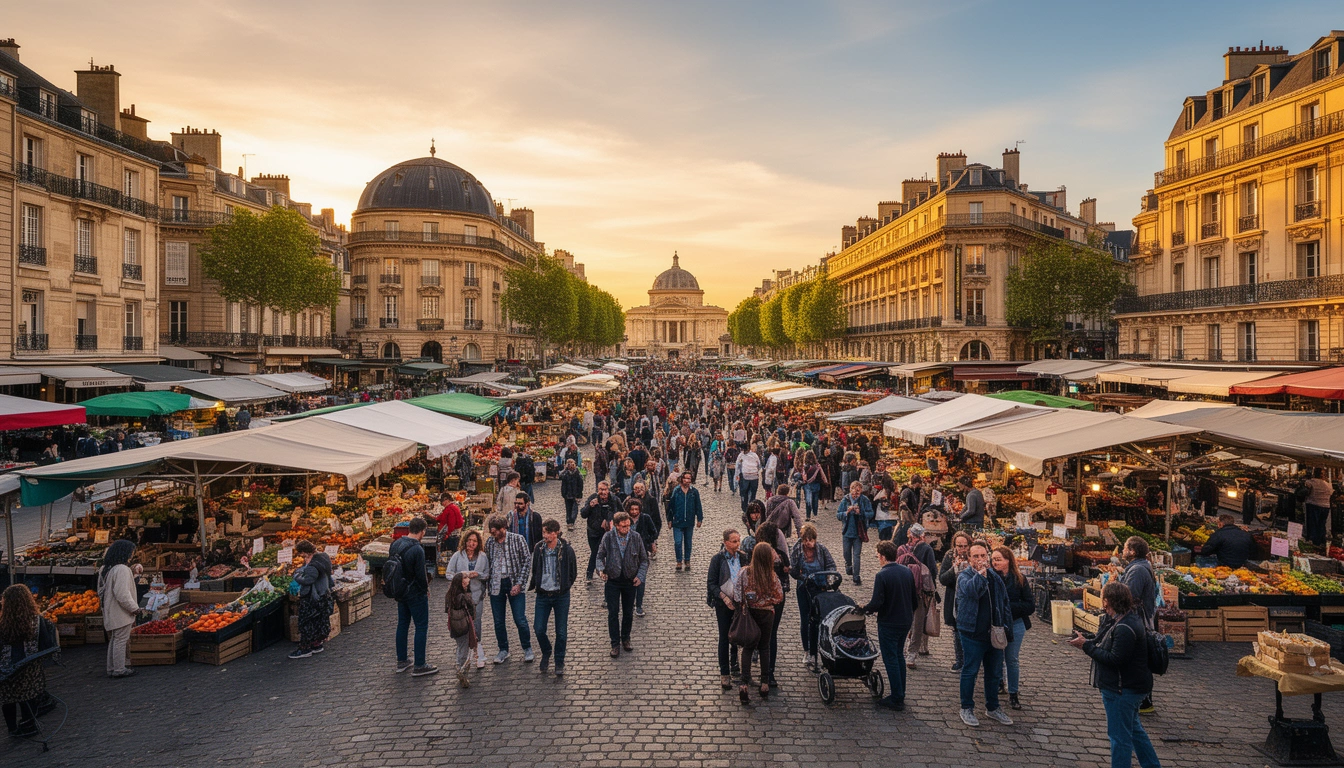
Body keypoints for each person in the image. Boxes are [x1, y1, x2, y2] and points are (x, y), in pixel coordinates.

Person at [1068, 582, 1162, 768]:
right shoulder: (1123, 619)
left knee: (1119, 738)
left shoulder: (1124, 627)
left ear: (1107, 601)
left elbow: (1114, 659)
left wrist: (1085, 646)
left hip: (1122, 690)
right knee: (1135, 730)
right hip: (1130, 687)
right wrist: (1088, 641)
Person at [955, 540, 1013, 727]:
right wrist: (980, 575)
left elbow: (1003, 602)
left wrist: (1006, 627)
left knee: (994, 672)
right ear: (969, 559)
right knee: (970, 671)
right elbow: (971, 591)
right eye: (976, 556)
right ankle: (966, 707)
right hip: (972, 633)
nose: (980, 559)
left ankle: (993, 707)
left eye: (983, 556)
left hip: (993, 633)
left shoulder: (995, 577)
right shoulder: (964, 577)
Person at [862, 540, 919, 711]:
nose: (877, 558)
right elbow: (913, 600)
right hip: (905, 620)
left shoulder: (882, 575)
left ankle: (896, 697)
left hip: (889, 622)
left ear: (883, 556)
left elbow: (877, 602)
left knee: (891, 659)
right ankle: (900, 692)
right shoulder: (906, 572)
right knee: (899, 656)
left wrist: (864, 608)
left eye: (878, 555)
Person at [0, 584, 57, 737]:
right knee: (29, 694)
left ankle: (12, 728)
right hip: (30, 669)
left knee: (8, 699)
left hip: (7, 671)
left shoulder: (2, 625)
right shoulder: (37, 621)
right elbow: (45, 645)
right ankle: (28, 722)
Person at [732, 541, 783, 704]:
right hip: (767, 613)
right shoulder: (772, 576)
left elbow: (737, 594)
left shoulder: (744, 572)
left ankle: (744, 683)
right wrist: (767, 600)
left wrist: (748, 601)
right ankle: (765, 683)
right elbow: (779, 596)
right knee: (764, 647)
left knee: (748, 647)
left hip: (750, 613)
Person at [596, 511, 648, 657]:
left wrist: (640, 576)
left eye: (628, 526)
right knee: (613, 613)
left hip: (629, 580)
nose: (627, 529)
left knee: (628, 612)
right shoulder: (608, 537)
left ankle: (626, 638)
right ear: (616, 526)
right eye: (623, 526)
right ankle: (615, 643)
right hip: (612, 580)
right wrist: (601, 570)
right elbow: (599, 557)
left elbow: (644, 560)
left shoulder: (636, 537)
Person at [528, 519, 577, 676]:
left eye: (548, 533)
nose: (545, 536)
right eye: (543, 532)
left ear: (556, 533)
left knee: (561, 631)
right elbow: (535, 568)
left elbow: (572, 572)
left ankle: (559, 661)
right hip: (543, 594)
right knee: (539, 628)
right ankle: (547, 650)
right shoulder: (539, 548)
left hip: (561, 595)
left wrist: (565, 585)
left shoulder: (566, 550)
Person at [484, 514, 534, 664]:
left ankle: (527, 647)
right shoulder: (490, 543)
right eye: (492, 532)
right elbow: (487, 562)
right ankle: (503, 649)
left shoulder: (517, 539)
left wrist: (519, 584)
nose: (493, 535)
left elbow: (526, 561)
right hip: (496, 585)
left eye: (495, 532)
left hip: (513, 582)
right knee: (498, 621)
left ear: (503, 528)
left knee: (520, 619)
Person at [390, 517, 437, 677]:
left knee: (402, 624)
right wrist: (425, 590)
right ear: (423, 531)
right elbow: (420, 575)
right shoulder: (417, 549)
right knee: (421, 626)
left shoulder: (395, 544)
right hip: (415, 593)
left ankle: (402, 660)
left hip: (400, 591)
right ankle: (420, 664)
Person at [789, 522, 836, 667]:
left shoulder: (821, 550)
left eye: (811, 540)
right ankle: (807, 650)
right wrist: (802, 577)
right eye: (806, 540)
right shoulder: (797, 550)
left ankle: (818, 649)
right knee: (805, 619)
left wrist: (830, 578)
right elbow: (793, 570)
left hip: (820, 588)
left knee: (818, 620)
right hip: (804, 588)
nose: (809, 543)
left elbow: (831, 565)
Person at [1120, 536, 1158, 715]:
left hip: (1137, 620)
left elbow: (1130, 596)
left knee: (1138, 662)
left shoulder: (1137, 570)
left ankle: (1143, 701)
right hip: (1141, 620)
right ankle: (1142, 699)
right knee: (1139, 660)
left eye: (1125, 548)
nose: (1122, 551)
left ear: (1132, 551)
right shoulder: (1142, 566)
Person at [708, 528, 749, 688]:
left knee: (737, 635)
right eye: (734, 541)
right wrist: (724, 598)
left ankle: (735, 664)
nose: (737, 544)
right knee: (725, 636)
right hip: (723, 604)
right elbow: (711, 584)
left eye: (738, 540)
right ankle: (724, 672)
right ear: (725, 543)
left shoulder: (743, 557)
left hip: (740, 603)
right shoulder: (717, 559)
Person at [993, 545, 1032, 711]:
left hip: (1016, 623)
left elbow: (1030, 606)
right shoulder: (990, 577)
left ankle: (1013, 693)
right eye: (993, 559)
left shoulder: (1019, 579)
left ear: (1008, 560)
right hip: (996, 624)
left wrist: (1008, 608)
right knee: (996, 657)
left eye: (998, 559)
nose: (994, 563)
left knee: (1012, 659)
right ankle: (999, 682)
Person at [447, 529, 491, 669]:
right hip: (461, 598)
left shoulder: (482, 557)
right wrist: (462, 575)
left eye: (474, 541)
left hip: (476, 596)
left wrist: (477, 574)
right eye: (469, 540)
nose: (471, 543)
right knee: (462, 625)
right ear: (465, 541)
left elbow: (487, 575)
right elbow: (449, 573)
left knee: (476, 623)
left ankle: (478, 653)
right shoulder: (457, 556)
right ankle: (462, 654)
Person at [97, 539, 141, 678]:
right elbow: (122, 594)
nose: (132, 555)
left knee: (115, 639)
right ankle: (119, 669)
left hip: (110, 610)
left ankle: (112, 667)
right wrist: (134, 609)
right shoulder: (121, 569)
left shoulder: (105, 568)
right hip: (120, 612)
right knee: (121, 640)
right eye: (131, 553)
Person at [901, 524, 939, 664]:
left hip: (905, 588)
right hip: (921, 590)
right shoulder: (927, 548)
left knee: (910, 619)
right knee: (919, 619)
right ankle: (913, 652)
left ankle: (917, 647)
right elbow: (933, 570)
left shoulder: (903, 548)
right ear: (922, 535)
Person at [290, 540, 334, 659]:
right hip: (323, 595)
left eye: (301, 553)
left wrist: (297, 575)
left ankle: (305, 649)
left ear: (305, 552)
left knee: (307, 623)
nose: (300, 556)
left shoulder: (313, 565)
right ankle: (316, 644)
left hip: (313, 597)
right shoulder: (323, 557)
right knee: (319, 621)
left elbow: (308, 580)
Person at [665, 471, 704, 572]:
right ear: (681, 479)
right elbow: (671, 506)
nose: (687, 481)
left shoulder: (694, 492)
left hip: (689, 521)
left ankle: (687, 560)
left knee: (688, 542)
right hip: (677, 521)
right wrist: (669, 519)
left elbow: (698, 506)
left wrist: (699, 518)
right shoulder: (676, 491)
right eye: (685, 478)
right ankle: (679, 560)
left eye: (689, 479)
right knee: (678, 542)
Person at [836, 481, 874, 585]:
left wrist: (861, 512)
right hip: (847, 531)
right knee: (846, 553)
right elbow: (838, 515)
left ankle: (856, 576)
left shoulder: (864, 500)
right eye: (854, 491)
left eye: (858, 491)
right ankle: (848, 566)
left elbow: (871, 513)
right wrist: (846, 512)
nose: (856, 493)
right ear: (851, 490)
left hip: (859, 532)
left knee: (856, 555)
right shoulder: (846, 500)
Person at [626, 497, 659, 617]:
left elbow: (654, 532)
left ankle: (639, 605)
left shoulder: (645, 518)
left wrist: (648, 541)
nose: (634, 512)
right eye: (632, 509)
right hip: (627, 554)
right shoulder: (625, 519)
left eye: (636, 509)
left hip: (642, 553)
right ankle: (630, 602)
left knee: (641, 579)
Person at [581, 481, 620, 580]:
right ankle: (599, 568)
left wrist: (609, 520)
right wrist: (590, 506)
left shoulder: (614, 499)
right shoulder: (593, 498)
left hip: (608, 532)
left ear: (608, 490)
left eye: (605, 490)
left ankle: (590, 572)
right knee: (595, 551)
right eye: (601, 490)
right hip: (593, 531)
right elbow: (583, 514)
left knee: (597, 552)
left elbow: (621, 513)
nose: (603, 492)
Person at [445, 572, 478, 688]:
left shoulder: (449, 596)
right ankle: (462, 669)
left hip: (454, 626)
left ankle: (459, 665)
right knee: (464, 647)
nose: (468, 579)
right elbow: (471, 608)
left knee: (460, 646)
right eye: (466, 578)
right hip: (464, 625)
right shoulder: (464, 596)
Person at [1304, 468, 1334, 547]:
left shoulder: (1310, 482)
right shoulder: (1328, 485)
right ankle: (1320, 542)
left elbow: (1305, 491)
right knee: (1321, 524)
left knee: (1313, 524)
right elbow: (1331, 494)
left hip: (1313, 505)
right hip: (1325, 506)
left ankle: (1312, 542)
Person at [736, 443, 762, 514]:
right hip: (754, 476)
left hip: (746, 476)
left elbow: (738, 465)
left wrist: (737, 475)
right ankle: (751, 506)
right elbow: (759, 465)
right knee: (753, 493)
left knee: (745, 492)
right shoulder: (754, 455)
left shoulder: (741, 456)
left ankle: (745, 508)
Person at [800, 450, 825, 521]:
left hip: (807, 485)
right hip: (816, 484)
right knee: (815, 501)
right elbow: (821, 476)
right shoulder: (817, 466)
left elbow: (804, 477)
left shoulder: (805, 466)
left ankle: (808, 516)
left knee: (808, 501)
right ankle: (815, 515)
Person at [559, 458, 584, 528]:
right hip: (567, 494)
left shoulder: (577, 473)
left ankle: (572, 521)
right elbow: (560, 477)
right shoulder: (565, 473)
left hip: (575, 494)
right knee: (568, 508)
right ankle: (569, 521)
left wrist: (579, 494)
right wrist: (565, 469)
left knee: (574, 509)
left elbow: (580, 485)